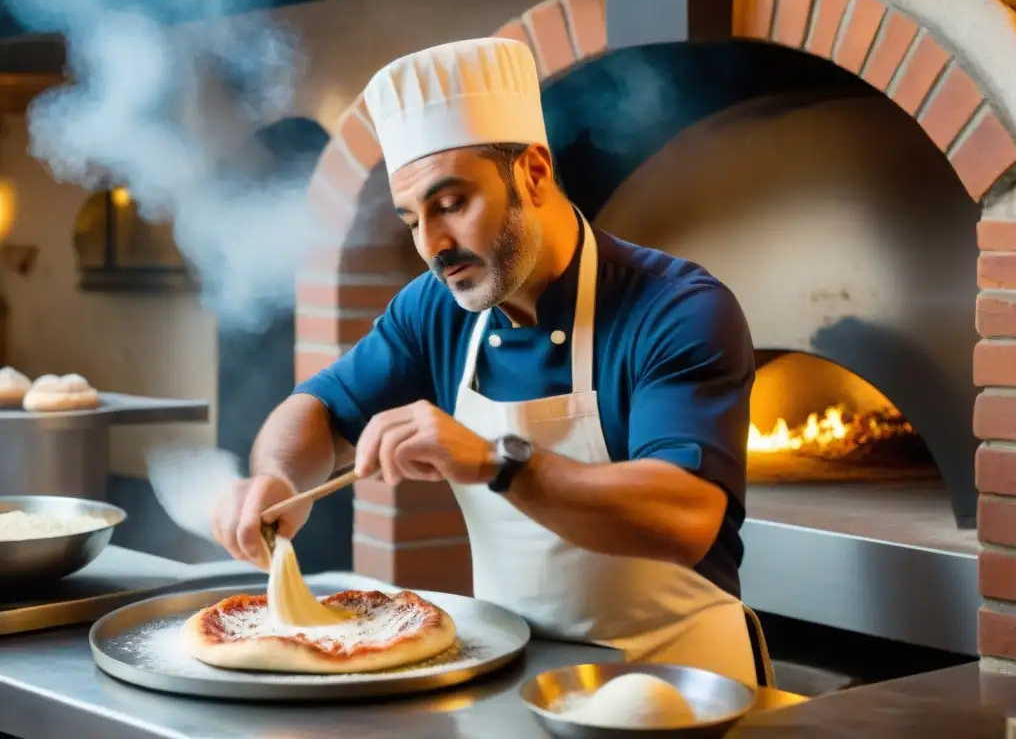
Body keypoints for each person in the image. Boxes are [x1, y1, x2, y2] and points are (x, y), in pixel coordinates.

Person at [212, 37, 766, 686]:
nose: (433, 246)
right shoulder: (434, 310)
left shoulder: (676, 309)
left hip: (684, 682)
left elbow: (686, 516)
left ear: (532, 171)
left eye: (451, 205)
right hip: (524, 684)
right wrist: (278, 480)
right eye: (412, 218)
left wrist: (497, 460)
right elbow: (320, 409)